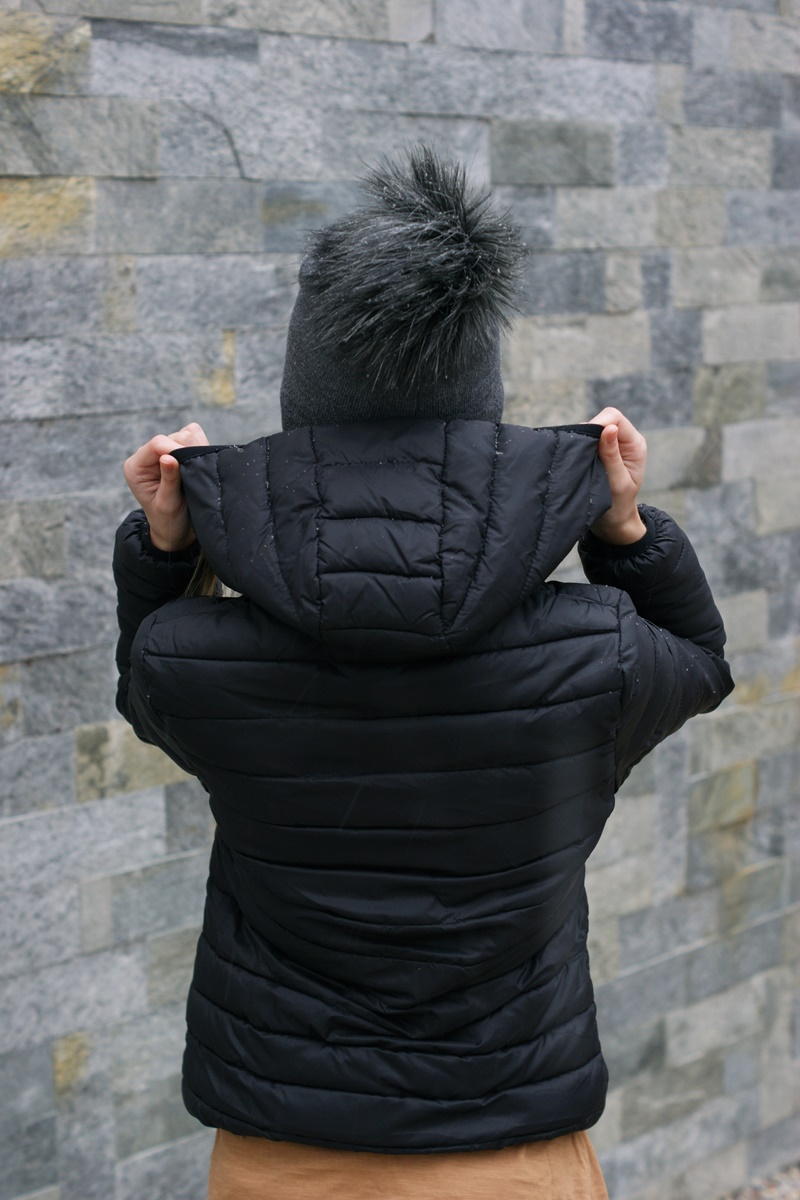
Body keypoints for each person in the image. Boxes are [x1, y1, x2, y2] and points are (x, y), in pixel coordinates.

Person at [114, 146, 733, 1199]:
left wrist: (166, 551)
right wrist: (623, 528)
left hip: (280, 1153)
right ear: (477, 397)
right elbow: (704, 665)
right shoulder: (599, 651)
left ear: (304, 394)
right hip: (511, 1155)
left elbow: (144, 684)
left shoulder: (194, 657)